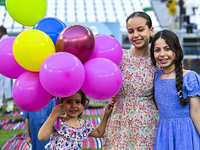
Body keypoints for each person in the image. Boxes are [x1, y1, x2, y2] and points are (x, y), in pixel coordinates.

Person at [103, 11, 160, 149]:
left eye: (140, 29)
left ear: (151, 30)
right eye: (131, 31)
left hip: (147, 124)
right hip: (119, 121)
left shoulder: (158, 62)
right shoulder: (118, 57)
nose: (135, 35)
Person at [150, 29, 200, 149]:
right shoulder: (156, 77)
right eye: (157, 50)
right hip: (163, 136)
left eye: (167, 48)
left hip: (186, 136)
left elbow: (196, 112)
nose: (162, 54)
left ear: (177, 51)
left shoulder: (190, 77)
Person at [38, 90, 114, 150]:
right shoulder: (58, 122)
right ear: (62, 104)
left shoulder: (84, 125)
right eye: (68, 102)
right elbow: (42, 137)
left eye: (78, 102)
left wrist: (106, 115)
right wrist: (53, 115)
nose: (73, 106)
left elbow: (98, 132)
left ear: (84, 104)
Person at [0, 25, 13, 113]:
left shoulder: (3, 41)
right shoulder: (10, 40)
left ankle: (4, 106)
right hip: (9, 67)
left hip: (3, 67)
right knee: (8, 88)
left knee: (4, 87)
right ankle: (9, 107)